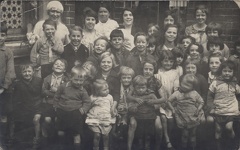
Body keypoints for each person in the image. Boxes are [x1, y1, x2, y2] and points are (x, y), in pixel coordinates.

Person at [54, 66, 91, 150]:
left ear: (84, 80)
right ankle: (62, 147)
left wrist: (82, 110)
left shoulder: (83, 90)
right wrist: (56, 107)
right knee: (60, 132)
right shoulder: (63, 86)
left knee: (76, 134)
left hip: (75, 114)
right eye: (76, 80)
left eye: (81, 80)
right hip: (62, 112)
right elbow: (56, 96)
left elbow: (87, 102)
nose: (78, 82)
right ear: (71, 78)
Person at [207, 60, 240, 150]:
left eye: (230, 71)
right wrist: (211, 108)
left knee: (229, 128)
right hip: (219, 110)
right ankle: (219, 147)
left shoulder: (235, 84)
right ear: (221, 71)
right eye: (225, 71)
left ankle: (234, 145)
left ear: (233, 72)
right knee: (218, 132)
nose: (227, 73)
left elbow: (238, 96)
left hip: (231, 110)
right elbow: (209, 97)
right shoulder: (216, 83)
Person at [168, 74, 205, 150]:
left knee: (193, 135)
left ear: (193, 87)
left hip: (193, 117)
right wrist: (172, 109)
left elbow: (201, 102)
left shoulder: (195, 93)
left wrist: (198, 109)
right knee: (184, 135)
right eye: (182, 84)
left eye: (187, 85)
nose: (184, 86)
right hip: (182, 117)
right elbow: (168, 101)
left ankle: (193, 148)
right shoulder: (177, 93)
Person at [10, 65, 43, 149]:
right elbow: (16, 99)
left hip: (37, 107)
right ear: (21, 73)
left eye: (29, 71)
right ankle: (13, 139)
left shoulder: (39, 81)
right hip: (24, 108)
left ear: (33, 72)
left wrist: (38, 108)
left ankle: (37, 140)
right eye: (24, 72)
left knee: (36, 120)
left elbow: (42, 95)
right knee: (17, 120)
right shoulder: (18, 84)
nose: (27, 73)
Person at [128, 75, 163, 150]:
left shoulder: (151, 95)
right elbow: (130, 107)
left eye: (143, 88)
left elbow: (158, 105)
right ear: (134, 88)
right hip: (139, 118)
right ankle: (140, 145)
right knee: (140, 134)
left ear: (146, 87)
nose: (140, 90)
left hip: (150, 118)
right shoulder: (134, 96)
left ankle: (148, 146)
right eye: (138, 88)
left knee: (148, 134)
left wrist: (153, 105)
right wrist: (135, 107)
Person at [154, 50, 180, 149]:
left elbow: (176, 89)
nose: (168, 63)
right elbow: (158, 89)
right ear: (161, 61)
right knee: (163, 118)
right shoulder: (158, 73)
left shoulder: (175, 73)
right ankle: (166, 139)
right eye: (165, 61)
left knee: (171, 120)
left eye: (170, 61)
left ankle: (167, 138)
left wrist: (172, 101)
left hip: (172, 100)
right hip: (162, 101)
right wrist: (163, 101)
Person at [85, 79, 117, 150]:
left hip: (105, 119)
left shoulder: (110, 97)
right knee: (97, 135)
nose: (107, 90)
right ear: (97, 91)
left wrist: (114, 112)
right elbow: (88, 106)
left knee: (106, 135)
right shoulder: (92, 97)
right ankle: (96, 148)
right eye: (104, 90)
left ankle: (106, 148)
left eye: (107, 88)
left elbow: (112, 107)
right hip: (95, 119)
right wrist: (94, 104)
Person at [41, 58, 68, 140]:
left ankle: (55, 135)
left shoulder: (66, 80)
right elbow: (43, 91)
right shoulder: (47, 78)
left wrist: (56, 91)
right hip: (48, 103)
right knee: (47, 120)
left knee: (57, 120)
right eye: (56, 64)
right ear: (52, 67)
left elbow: (67, 93)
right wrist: (55, 94)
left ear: (65, 69)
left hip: (61, 104)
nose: (58, 65)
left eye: (61, 65)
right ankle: (45, 130)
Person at [0, 21, 16, 123]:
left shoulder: (8, 52)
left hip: (4, 89)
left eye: (2, 35)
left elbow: (10, 72)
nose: (0, 38)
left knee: (3, 115)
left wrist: (3, 87)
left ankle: (3, 137)